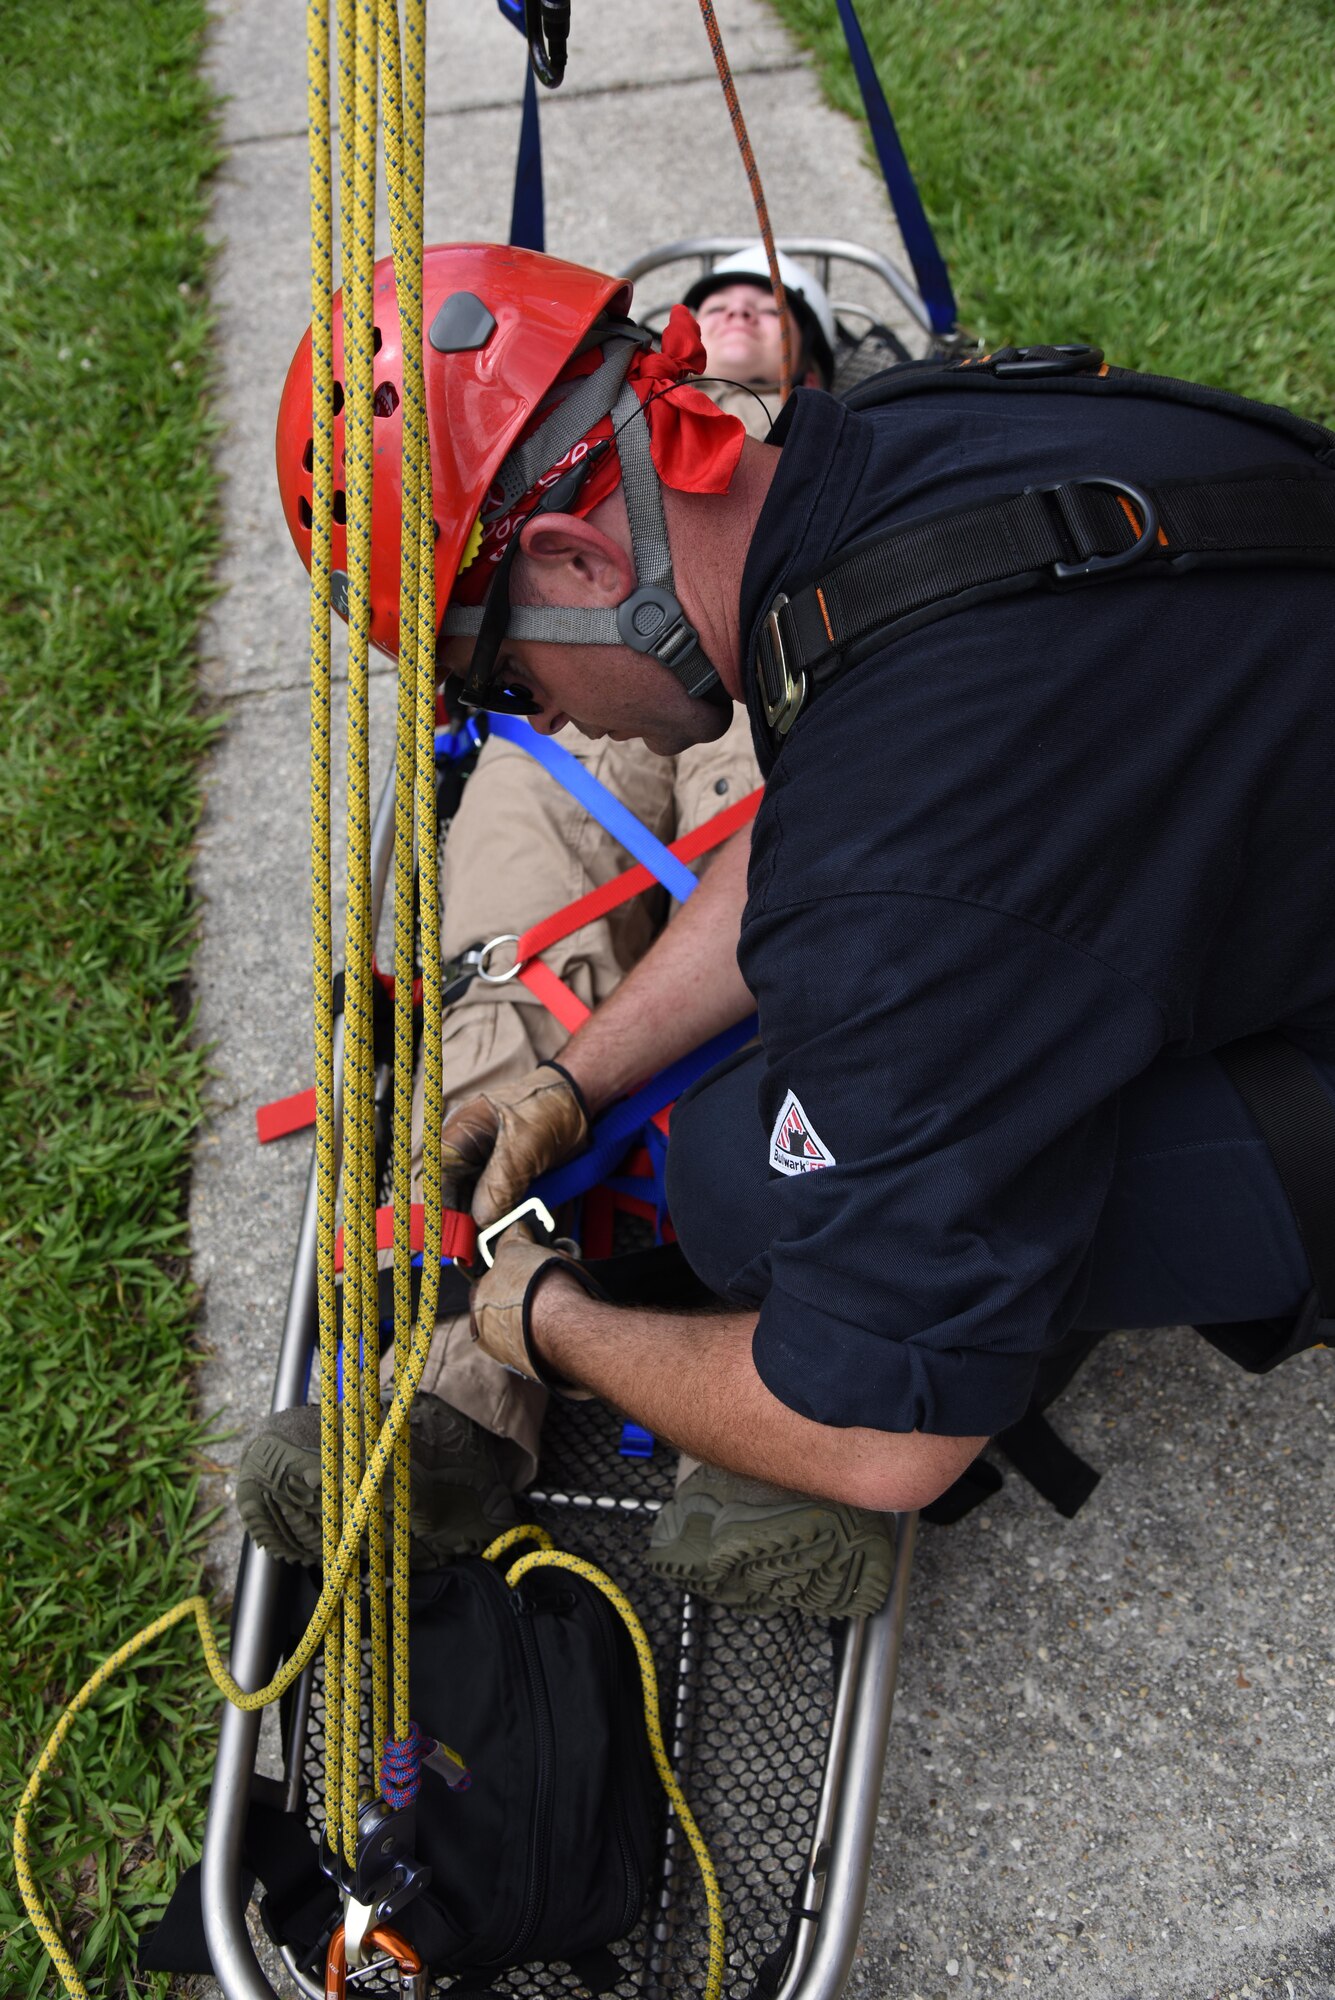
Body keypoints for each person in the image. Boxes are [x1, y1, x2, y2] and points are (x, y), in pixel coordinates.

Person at [262, 240, 1335, 1596]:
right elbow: (820, 827)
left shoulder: (898, 871)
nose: (530, 717)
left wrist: (544, 1319)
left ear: (574, 557)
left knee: (745, 1182)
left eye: (499, 674)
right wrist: (574, 1080)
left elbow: (888, 1438)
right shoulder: (911, 438)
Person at [241, 245, 897, 1617]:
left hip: (764, 636)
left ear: (816, 363)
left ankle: (781, 1412)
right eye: (709, 297)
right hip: (593, 648)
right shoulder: (566, 485)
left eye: (768, 304)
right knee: (520, 876)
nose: (733, 309)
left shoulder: (843, 467)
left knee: (806, 852)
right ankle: (448, 1404)